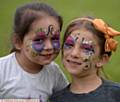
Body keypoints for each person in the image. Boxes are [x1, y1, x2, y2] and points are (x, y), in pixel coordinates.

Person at [0, 2, 68, 101]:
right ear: (18, 42)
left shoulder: (53, 72)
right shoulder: (2, 69)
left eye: (54, 39)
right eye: (39, 40)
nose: (49, 47)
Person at [50, 16, 120, 102]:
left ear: (102, 59)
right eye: (69, 45)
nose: (74, 53)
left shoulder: (115, 94)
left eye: (86, 48)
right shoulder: (57, 99)